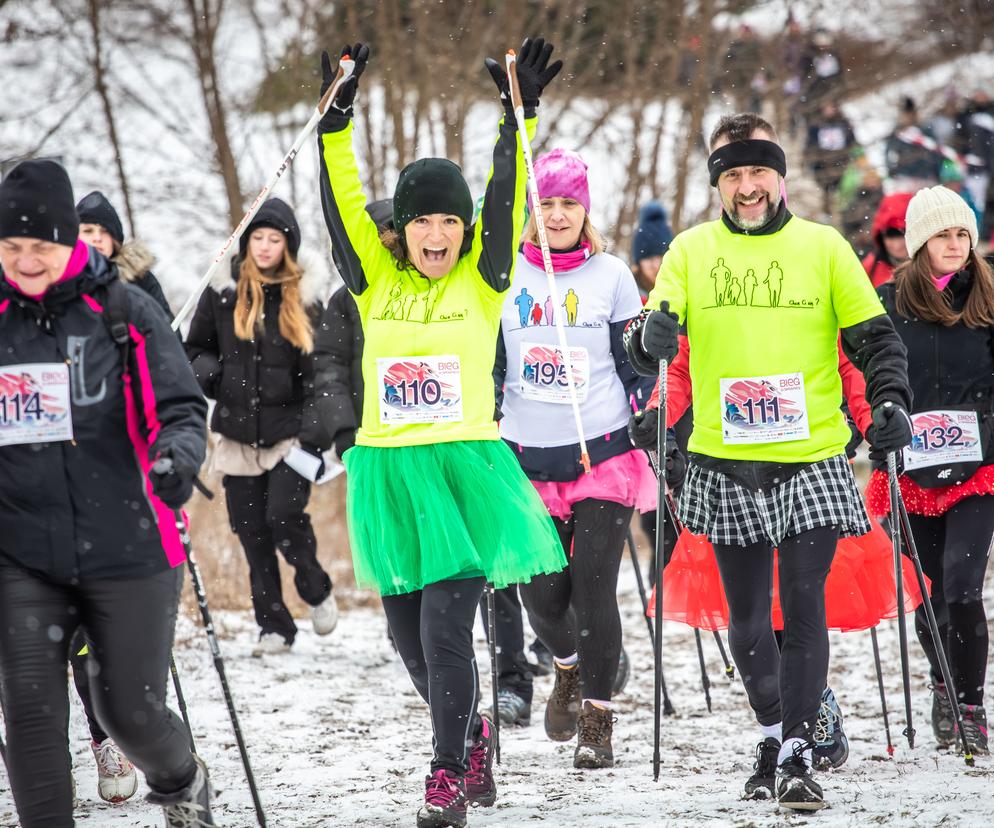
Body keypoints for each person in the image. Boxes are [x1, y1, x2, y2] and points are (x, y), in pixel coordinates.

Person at [624, 113, 913, 810]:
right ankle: (771, 730)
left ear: (779, 179)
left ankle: (796, 752)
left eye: (758, 174)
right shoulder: (692, 251)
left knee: (803, 602)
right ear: (720, 184)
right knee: (749, 622)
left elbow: (874, 340)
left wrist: (889, 402)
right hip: (724, 463)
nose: (747, 187)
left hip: (810, 457)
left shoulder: (824, 247)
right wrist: (646, 338)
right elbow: (650, 345)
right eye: (733, 176)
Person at [317, 39, 566, 828]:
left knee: (446, 631)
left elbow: (507, 191)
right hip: (389, 476)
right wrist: (337, 117)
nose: (436, 233)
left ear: (463, 230)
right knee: (409, 643)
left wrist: (515, 117)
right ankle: (474, 730)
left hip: (462, 476)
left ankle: (447, 771)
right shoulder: (374, 281)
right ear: (404, 230)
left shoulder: (484, 281)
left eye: (448, 221)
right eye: (422, 220)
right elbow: (341, 202)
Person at [0, 159, 211, 825]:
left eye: (42, 246)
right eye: (11, 247)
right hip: (21, 547)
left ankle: (182, 781)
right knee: (31, 713)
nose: (26, 261)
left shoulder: (121, 310)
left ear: (70, 244)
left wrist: (175, 459)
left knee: (128, 709)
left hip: (128, 542)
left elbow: (180, 409)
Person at [495, 148, 658, 769]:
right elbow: (495, 361)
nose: (557, 214)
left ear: (583, 211)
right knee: (542, 594)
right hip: (528, 460)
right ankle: (566, 665)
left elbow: (632, 360)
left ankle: (597, 717)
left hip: (604, 454)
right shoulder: (506, 276)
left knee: (593, 587)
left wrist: (648, 400)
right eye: (547, 203)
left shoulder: (611, 275)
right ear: (532, 212)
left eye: (568, 203)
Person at [864, 185, 994, 755]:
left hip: (977, 469)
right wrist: (872, 424)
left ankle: (971, 706)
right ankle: (944, 683)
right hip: (911, 472)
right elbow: (861, 376)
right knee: (930, 594)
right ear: (918, 243)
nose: (955, 244)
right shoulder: (886, 304)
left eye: (962, 233)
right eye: (943, 234)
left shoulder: (989, 298)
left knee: (963, 588)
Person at [185, 197, 339, 656]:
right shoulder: (222, 293)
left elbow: (322, 373)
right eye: (258, 238)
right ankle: (274, 626)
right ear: (245, 243)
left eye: (275, 239)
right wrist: (217, 376)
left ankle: (316, 588)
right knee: (252, 532)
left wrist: (316, 436)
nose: (265, 247)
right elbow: (194, 352)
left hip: (288, 435)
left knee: (283, 517)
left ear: (287, 246)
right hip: (235, 435)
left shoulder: (306, 300)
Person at [75, 190, 173, 320]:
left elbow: (167, 332)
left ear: (114, 239)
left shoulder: (140, 279)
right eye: (88, 231)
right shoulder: (59, 282)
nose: (97, 238)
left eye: (104, 231)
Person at [862, 192, 913, 287]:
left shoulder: (932, 266)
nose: (897, 246)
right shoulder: (870, 267)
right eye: (890, 237)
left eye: (903, 236)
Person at [630, 200, 673, 300]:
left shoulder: (682, 292)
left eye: (660, 256)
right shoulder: (627, 295)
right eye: (649, 258)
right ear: (639, 262)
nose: (656, 265)